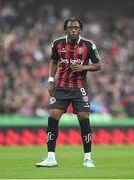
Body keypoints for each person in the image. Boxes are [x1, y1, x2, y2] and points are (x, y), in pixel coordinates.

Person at [35, 17, 101, 168]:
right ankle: (51, 158)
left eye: (76, 28)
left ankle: (87, 158)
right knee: (53, 116)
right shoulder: (57, 43)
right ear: (66, 29)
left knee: (84, 117)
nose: (73, 30)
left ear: (80, 30)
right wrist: (51, 80)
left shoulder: (88, 45)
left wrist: (83, 68)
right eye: (71, 28)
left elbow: (98, 65)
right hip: (62, 87)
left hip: (79, 87)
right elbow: (53, 62)